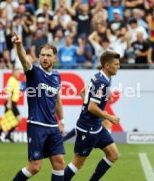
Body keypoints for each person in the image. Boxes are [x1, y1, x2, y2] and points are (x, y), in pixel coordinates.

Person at [11, 32, 65, 181]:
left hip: (53, 126)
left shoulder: (56, 76)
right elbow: (24, 59)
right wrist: (19, 44)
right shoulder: (33, 72)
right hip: (37, 125)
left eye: (48, 55)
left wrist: (62, 121)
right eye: (42, 55)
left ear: (54, 58)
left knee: (59, 164)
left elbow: (58, 100)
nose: (45, 58)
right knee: (35, 167)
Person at [64, 51, 121, 181]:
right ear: (107, 65)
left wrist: (104, 96)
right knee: (77, 164)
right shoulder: (101, 82)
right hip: (87, 129)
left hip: (96, 126)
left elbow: (82, 92)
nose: (119, 66)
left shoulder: (100, 77)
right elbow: (91, 107)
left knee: (113, 155)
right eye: (116, 64)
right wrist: (109, 117)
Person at [0, 66, 22, 143]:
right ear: (13, 72)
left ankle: (4, 136)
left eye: (19, 71)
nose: (19, 73)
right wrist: (9, 103)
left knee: (13, 120)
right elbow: (9, 91)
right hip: (10, 103)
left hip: (13, 103)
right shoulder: (11, 80)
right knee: (15, 119)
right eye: (17, 71)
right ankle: (2, 136)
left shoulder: (15, 81)